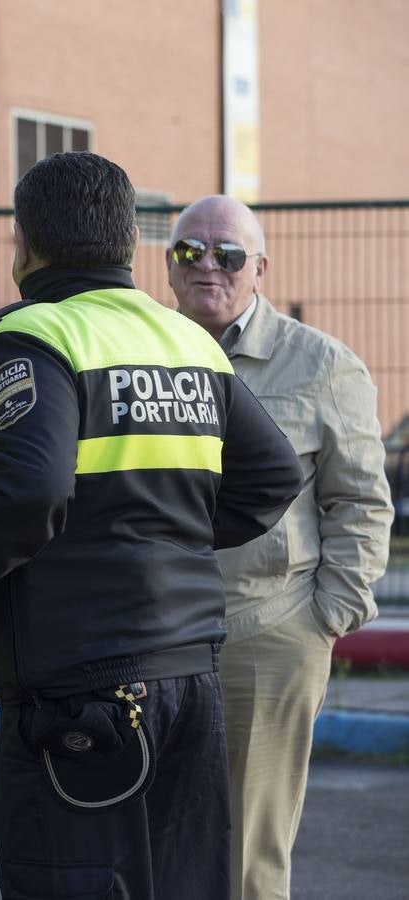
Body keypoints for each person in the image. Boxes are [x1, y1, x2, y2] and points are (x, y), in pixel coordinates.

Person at [0, 152, 303, 899]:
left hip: (76, 679)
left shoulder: (33, 337)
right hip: (189, 678)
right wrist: (169, 541)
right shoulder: (188, 341)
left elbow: (30, 490)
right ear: (130, 243)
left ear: (23, 248)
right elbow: (274, 477)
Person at [168, 195, 394, 900]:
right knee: (155, 837)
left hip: (266, 632)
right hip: (149, 630)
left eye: (228, 254)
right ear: (168, 267)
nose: (208, 264)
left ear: (259, 268)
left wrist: (325, 618)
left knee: (247, 854)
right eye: (189, 251)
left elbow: (359, 500)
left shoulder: (322, 366)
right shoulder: (141, 354)